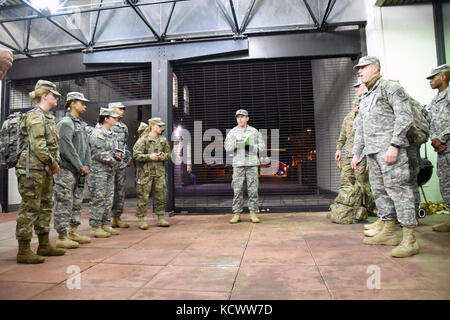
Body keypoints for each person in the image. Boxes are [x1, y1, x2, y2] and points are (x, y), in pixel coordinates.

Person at [351, 56, 419, 258]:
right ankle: (388, 231)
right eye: (359, 69)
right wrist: (357, 153)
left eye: (363, 68)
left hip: (389, 150)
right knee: (380, 191)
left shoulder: (390, 87)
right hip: (373, 152)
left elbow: (404, 116)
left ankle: (410, 239)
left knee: (399, 191)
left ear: (375, 69)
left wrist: (395, 144)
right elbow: (361, 127)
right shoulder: (366, 96)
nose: (360, 72)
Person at [15, 80, 66, 264]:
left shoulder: (48, 118)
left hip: (44, 169)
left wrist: (52, 164)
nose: (57, 98)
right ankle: (23, 250)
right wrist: (53, 164)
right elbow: (39, 146)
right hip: (32, 169)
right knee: (30, 208)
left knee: (45, 206)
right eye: (55, 95)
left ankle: (43, 244)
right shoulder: (34, 117)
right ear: (44, 95)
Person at [53, 92, 92, 249]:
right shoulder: (66, 123)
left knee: (77, 201)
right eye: (82, 103)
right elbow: (66, 148)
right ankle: (62, 236)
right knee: (64, 201)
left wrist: (87, 165)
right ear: (73, 103)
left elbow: (87, 148)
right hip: (67, 170)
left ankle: (73, 231)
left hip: (80, 172)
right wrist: (79, 166)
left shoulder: (81, 125)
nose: (85, 106)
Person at [335, 78, 375, 214]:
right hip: (348, 155)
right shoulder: (348, 118)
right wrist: (338, 149)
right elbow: (342, 136)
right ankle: (348, 206)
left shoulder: (366, 117)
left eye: (357, 106)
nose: (355, 108)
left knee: (362, 182)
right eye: (354, 106)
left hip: (361, 156)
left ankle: (367, 208)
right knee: (345, 179)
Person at [225, 109, 265, 224]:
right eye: (238, 117)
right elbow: (227, 147)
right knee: (237, 190)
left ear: (247, 118)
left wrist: (251, 147)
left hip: (252, 164)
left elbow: (262, 146)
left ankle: (253, 212)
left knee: (253, 189)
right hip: (238, 165)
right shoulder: (232, 132)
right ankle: (237, 213)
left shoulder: (254, 131)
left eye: (242, 117)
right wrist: (237, 144)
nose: (240, 119)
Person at [424, 64, 450, 232]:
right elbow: (431, 124)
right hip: (441, 150)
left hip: (447, 144)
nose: (430, 80)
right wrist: (434, 140)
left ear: (444, 77)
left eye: (433, 77)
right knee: (446, 184)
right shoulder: (433, 102)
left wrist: (442, 139)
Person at [88, 108, 121, 238]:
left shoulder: (111, 134)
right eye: (113, 117)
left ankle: (105, 224)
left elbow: (114, 151)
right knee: (98, 198)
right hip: (98, 171)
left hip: (109, 171)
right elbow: (97, 153)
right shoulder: (98, 134)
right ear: (106, 118)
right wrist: (114, 160)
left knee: (108, 199)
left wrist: (118, 156)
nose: (116, 119)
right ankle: (95, 226)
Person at [133, 117, 171, 229]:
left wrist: (163, 156)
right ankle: (141, 219)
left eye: (162, 126)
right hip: (145, 173)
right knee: (143, 196)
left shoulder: (163, 140)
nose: (161, 128)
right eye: (159, 126)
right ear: (152, 126)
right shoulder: (143, 140)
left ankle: (160, 217)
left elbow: (169, 155)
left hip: (159, 172)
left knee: (161, 195)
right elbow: (136, 155)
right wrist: (150, 156)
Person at [109, 102, 132, 229]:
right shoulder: (106, 123)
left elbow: (123, 144)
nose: (123, 111)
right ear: (112, 109)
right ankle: (105, 220)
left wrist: (127, 157)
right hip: (108, 163)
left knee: (120, 192)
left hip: (120, 164)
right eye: (120, 108)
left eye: (123, 109)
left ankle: (117, 217)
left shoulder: (123, 127)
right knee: (108, 192)